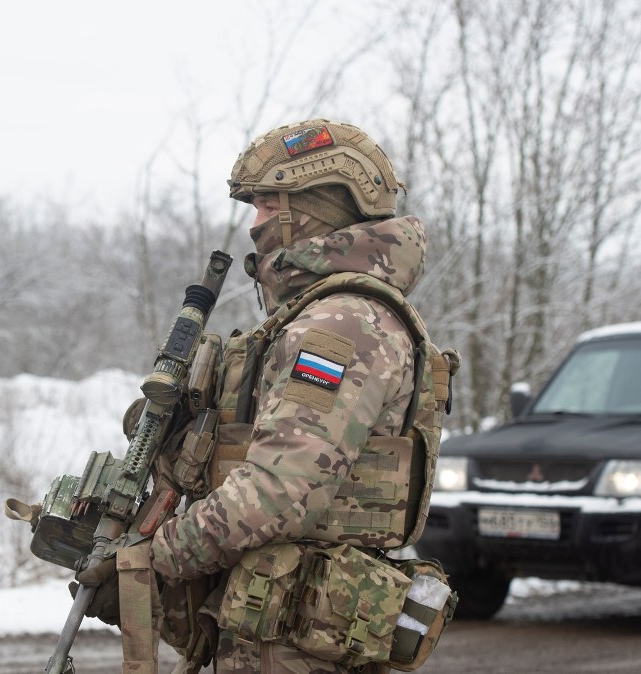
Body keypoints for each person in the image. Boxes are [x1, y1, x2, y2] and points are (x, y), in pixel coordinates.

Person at [134, 119, 457, 673]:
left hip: (299, 643)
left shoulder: (341, 324)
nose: (254, 225)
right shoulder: (317, 315)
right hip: (278, 629)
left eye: (264, 206)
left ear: (311, 210)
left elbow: (279, 491)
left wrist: (152, 558)